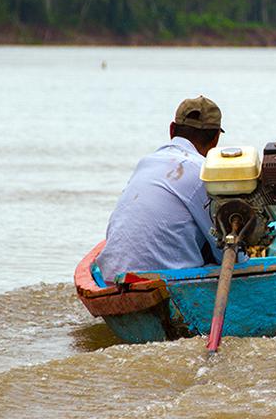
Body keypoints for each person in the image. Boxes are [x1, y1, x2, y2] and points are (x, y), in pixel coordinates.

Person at [95, 96, 225, 282]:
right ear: (216, 139)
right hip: (163, 279)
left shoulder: (146, 163)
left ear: (172, 130)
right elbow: (224, 249)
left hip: (112, 274)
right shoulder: (203, 172)